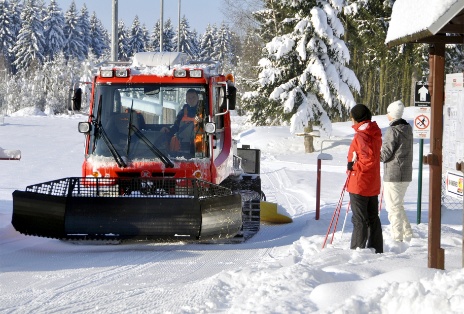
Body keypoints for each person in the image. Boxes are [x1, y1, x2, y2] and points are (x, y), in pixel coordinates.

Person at [346, 104, 383, 253]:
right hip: (371, 183)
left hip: (360, 183)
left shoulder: (361, 135)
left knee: (360, 220)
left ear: (357, 118)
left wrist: (352, 166)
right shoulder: (373, 132)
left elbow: (368, 160)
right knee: (372, 218)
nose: (351, 120)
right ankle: (375, 249)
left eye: (352, 117)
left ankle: (357, 251)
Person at [380, 100, 413, 242]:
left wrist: (374, 153)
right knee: (398, 205)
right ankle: (408, 233)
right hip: (405, 173)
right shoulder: (408, 129)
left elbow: (385, 154)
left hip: (393, 174)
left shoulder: (392, 130)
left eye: (388, 112)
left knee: (392, 207)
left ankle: (397, 238)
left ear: (392, 114)